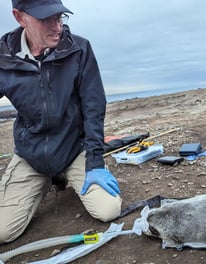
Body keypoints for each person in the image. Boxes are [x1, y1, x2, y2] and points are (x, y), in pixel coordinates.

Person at [0, 0, 122, 243]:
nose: (57, 27)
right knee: (3, 232)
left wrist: (95, 162)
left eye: (60, 17)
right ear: (20, 17)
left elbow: (94, 107)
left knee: (108, 210)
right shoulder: (3, 57)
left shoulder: (79, 49)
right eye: (47, 19)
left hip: (74, 149)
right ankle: (44, 181)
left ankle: (65, 175)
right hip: (31, 155)